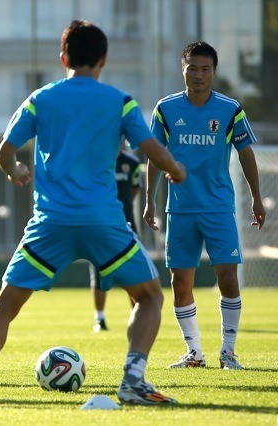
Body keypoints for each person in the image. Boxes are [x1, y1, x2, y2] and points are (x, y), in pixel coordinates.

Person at [0, 20, 186, 407]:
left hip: (51, 222)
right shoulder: (120, 101)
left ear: (63, 57)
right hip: (103, 221)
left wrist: (16, 172)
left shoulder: (40, 99)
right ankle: (132, 380)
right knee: (148, 296)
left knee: (5, 306)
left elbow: (4, 154)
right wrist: (176, 170)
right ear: (103, 59)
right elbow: (151, 150)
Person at [144, 41, 265, 370]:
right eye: (192, 68)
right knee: (179, 282)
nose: (198, 74)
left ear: (214, 72)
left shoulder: (229, 109)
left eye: (205, 69)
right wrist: (150, 201)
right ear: (182, 69)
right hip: (180, 208)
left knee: (227, 276)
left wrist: (255, 196)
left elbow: (246, 153)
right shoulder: (166, 109)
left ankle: (228, 352)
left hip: (217, 207)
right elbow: (154, 157)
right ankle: (194, 352)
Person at [91, 146, 141, 332]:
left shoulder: (132, 163)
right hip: (100, 224)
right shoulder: (96, 160)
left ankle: (136, 316)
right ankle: (100, 319)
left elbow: (135, 189)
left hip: (126, 224)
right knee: (98, 272)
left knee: (133, 272)